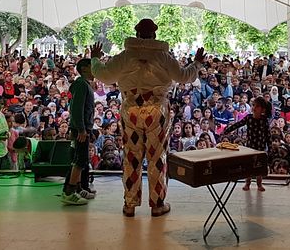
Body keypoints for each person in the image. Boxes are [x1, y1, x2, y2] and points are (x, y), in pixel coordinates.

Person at [90, 18, 205, 217]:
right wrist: (196, 63)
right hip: (156, 111)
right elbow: (184, 76)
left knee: (131, 156)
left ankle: (130, 204)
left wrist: (94, 59)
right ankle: (157, 204)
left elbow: (105, 75)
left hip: (131, 110)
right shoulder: (163, 57)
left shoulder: (125, 56)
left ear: (136, 34)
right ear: (154, 35)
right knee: (156, 156)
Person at [60, 58, 95, 206]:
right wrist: (81, 128)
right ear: (85, 68)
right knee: (79, 160)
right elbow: (77, 108)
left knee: (81, 159)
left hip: (82, 128)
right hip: (80, 129)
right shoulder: (81, 84)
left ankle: (78, 188)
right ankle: (69, 192)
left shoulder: (83, 84)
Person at [223, 97, 271, 191]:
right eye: (253, 105)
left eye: (257, 106)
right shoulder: (249, 118)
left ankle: (259, 184)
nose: (254, 108)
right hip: (250, 146)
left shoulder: (264, 120)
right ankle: (247, 183)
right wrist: (228, 130)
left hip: (260, 147)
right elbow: (239, 124)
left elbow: (268, 135)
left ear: (263, 109)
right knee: (249, 167)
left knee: (259, 167)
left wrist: (269, 147)